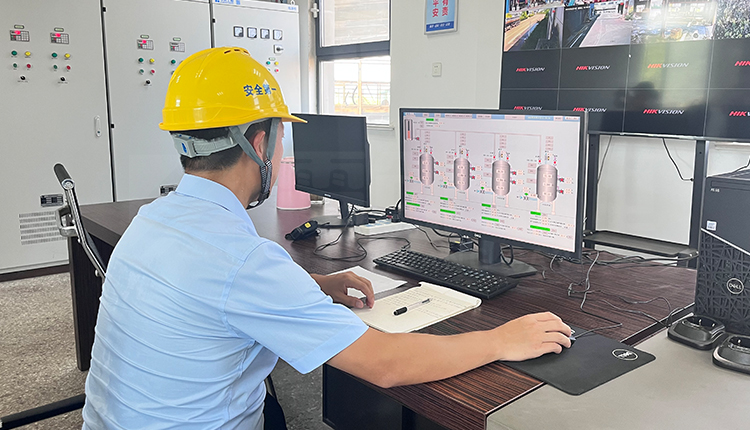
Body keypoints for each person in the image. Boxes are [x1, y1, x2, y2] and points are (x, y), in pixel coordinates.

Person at [81, 47, 572, 429]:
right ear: (259, 143)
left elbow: (211, 291)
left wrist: (312, 285)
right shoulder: (241, 259)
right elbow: (384, 364)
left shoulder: (154, 219)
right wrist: (500, 340)